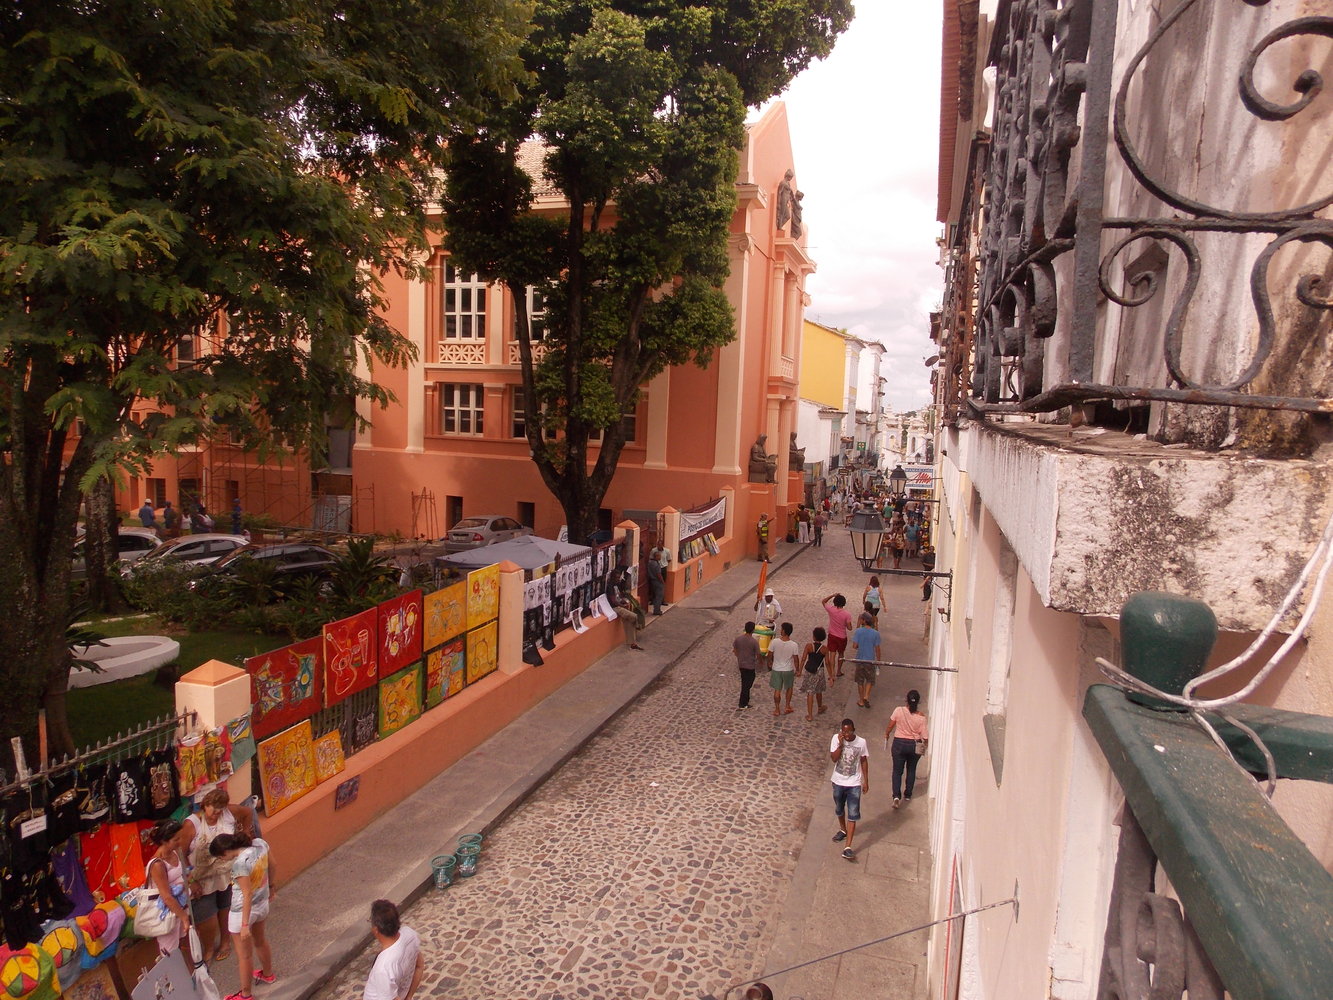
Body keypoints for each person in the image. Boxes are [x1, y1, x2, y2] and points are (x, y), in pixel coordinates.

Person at [185, 788, 257, 963]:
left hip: (226, 873)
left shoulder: (229, 813)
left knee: (225, 908)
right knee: (206, 915)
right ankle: (209, 947)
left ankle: (225, 942)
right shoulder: (192, 824)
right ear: (205, 805)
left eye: (220, 810)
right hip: (203, 878)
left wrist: (246, 832)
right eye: (213, 809)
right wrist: (191, 880)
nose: (216, 814)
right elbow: (181, 853)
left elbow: (248, 812)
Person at [209, 832, 276, 1000]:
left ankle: (245, 995)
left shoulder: (239, 864)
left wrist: (245, 925)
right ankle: (267, 974)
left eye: (219, 857)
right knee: (260, 941)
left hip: (241, 913)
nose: (222, 860)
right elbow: (273, 864)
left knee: (244, 956)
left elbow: (246, 894)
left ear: (225, 853)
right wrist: (271, 887)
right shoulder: (260, 844)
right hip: (262, 904)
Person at [144, 819, 191, 956]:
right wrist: (184, 917)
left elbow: (184, 874)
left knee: (185, 947)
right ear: (164, 841)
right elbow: (166, 896)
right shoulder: (157, 865)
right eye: (176, 839)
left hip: (181, 907)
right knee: (170, 954)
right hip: (166, 914)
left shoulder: (176, 853)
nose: (180, 841)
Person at [364, 899, 423, 1000]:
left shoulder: (383, 968)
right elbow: (419, 966)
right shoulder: (410, 935)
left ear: (376, 930)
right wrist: (408, 997)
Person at [829, 718, 870, 860]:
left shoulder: (861, 743)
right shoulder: (836, 739)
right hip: (838, 781)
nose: (846, 734)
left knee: (853, 813)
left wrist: (866, 780)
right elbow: (834, 759)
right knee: (839, 809)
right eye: (844, 731)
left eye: (849, 731)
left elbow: (864, 761)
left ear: (854, 730)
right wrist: (840, 745)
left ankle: (848, 847)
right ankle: (843, 829)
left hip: (854, 783)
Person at [885, 689, 929, 807]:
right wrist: (925, 746)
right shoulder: (921, 717)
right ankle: (908, 794)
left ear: (906, 700)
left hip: (899, 743)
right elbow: (925, 736)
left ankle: (896, 796)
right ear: (918, 702)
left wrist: (887, 734)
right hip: (914, 745)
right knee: (911, 769)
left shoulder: (898, 710)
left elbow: (890, 726)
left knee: (897, 771)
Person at [767, 621, 800, 717]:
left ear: (784, 631)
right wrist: (797, 669)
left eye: (781, 629)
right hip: (788, 669)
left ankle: (777, 709)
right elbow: (796, 659)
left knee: (777, 690)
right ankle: (787, 706)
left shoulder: (774, 642)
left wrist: (769, 662)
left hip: (776, 668)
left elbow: (770, 654)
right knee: (789, 688)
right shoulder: (794, 645)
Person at [850, 613, 881, 709]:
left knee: (860, 681)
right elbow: (877, 649)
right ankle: (866, 696)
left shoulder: (858, 631)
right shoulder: (876, 633)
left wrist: (861, 646)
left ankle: (861, 700)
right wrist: (878, 661)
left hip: (860, 659)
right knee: (870, 680)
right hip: (870, 660)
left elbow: (854, 646)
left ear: (864, 621)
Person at [799, 627, 831, 721]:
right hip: (819, 671)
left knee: (810, 692)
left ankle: (810, 715)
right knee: (819, 690)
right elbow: (828, 663)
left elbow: (803, 659)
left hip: (810, 671)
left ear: (814, 636)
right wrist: (831, 675)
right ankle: (820, 707)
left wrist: (799, 670)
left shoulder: (809, 646)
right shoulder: (825, 649)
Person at [822, 594, 853, 678]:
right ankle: (838, 671)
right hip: (842, 637)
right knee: (841, 653)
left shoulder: (831, 610)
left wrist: (832, 595)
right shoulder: (847, 614)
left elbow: (823, 601)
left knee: (832, 654)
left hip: (832, 635)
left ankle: (832, 673)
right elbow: (850, 628)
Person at [733, 622, 760, 710]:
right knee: (747, 683)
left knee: (745, 682)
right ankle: (743, 702)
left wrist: (739, 657)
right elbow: (758, 654)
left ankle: (745, 700)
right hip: (750, 665)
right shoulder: (754, 642)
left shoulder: (738, 639)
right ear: (753, 630)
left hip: (741, 664)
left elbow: (735, 650)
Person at [754, 588, 783, 667]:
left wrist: (774, 619)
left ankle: (769, 655)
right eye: (767, 596)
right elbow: (755, 609)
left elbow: (780, 612)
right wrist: (757, 601)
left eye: (770, 596)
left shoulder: (775, 603)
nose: (769, 598)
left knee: (770, 642)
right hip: (761, 623)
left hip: (770, 625)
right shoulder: (762, 601)